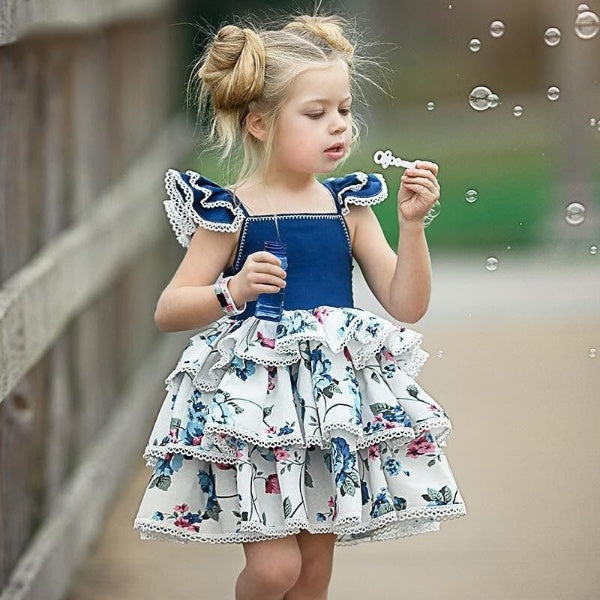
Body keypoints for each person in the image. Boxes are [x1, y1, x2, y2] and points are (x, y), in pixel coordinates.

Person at [133, 11, 467, 600]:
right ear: (259, 123)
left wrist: (412, 226)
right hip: (255, 411)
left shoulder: (349, 206)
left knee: (312, 578)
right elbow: (169, 309)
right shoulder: (228, 212)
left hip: (330, 407)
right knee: (273, 571)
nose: (338, 126)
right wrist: (230, 292)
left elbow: (405, 304)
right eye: (316, 114)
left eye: (343, 109)